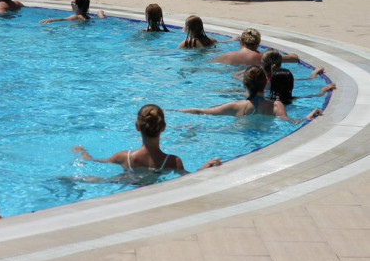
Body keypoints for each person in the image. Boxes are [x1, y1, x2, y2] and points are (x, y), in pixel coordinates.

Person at [72, 104, 221, 180]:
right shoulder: (172, 161)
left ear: (137, 126)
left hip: (127, 184)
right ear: (163, 127)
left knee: (107, 180)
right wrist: (203, 168)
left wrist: (83, 152)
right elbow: (188, 179)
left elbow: (94, 161)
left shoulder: (124, 157)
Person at [176, 66, 323, 122]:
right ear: (265, 84)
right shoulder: (276, 106)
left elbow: (201, 111)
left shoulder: (234, 106)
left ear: (244, 85)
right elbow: (291, 122)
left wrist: (173, 110)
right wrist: (308, 116)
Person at [269, 68, 336, 105]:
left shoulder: (267, 101)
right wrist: (324, 89)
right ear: (291, 85)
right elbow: (317, 95)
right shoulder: (290, 99)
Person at [40, 0, 105, 23]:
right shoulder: (88, 17)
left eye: (73, 2)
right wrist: (100, 14)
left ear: (78, 5)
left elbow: (63, 19)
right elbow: (101, 19)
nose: (71, 3)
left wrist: (52, 19)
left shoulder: (76, 17)